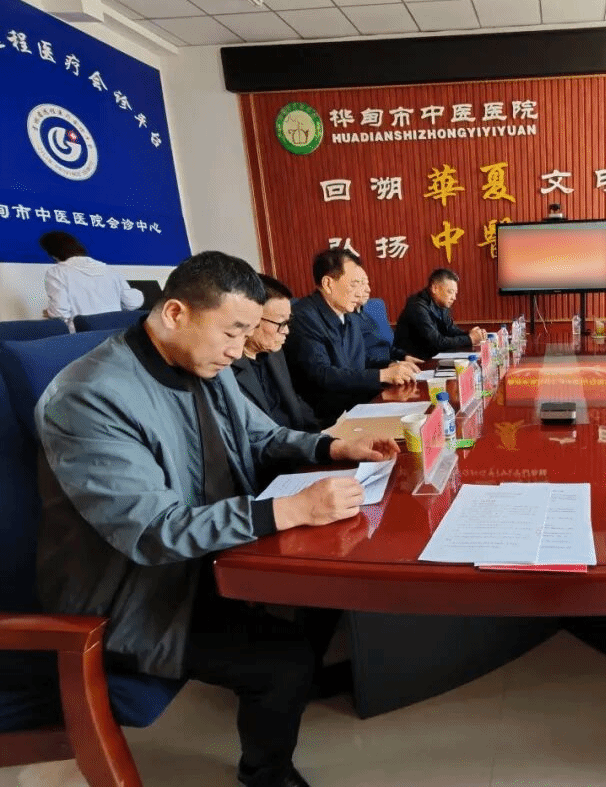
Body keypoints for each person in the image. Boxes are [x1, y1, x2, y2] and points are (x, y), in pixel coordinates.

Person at [35, 251, 399, 787]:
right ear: (175, 313)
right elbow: (152, 531)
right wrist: (289, 508)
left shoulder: (204, 361)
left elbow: (260, 434)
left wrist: (331, 447)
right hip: (136, 595)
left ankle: (292, 683)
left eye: (247, 333)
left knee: (323, 592)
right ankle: (265, 773)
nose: (237, 350)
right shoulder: (90, 397)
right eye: (232, 332)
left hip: (208, 557)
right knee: (283, 661)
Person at [287, 250, 417, 424]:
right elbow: (321, 374)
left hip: (358, 406)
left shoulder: (349, 315)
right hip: (327, 419)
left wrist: (391, 365)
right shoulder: (303, 317)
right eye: (354, 284)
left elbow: (360, 362)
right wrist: (382, 375)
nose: (360, 292)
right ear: (328, 283)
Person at [232, 274, 321, 432]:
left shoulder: (274, 353)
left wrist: (322, 437)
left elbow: (295, 402)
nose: (286, 331)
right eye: (281, 323)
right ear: (252, 319)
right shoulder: (225, 366)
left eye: (288, 322)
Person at [39, 230, 143, 328]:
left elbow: (60, 313)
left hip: (83, 335)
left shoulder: (57, 272)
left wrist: (50, 313)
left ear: (53, 254)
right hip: (114, 331)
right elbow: (133, 303)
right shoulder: (107, 268)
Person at [393, 268, 485, 360]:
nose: (454, 298)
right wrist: (469, 339)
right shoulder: (417, 307)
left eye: (455, 293)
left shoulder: (441, 304)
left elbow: (450, 329)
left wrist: (470, 333)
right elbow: (436, 342)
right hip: (414, 361)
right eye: (450, 292)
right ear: (435, 288)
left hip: (431, 357)